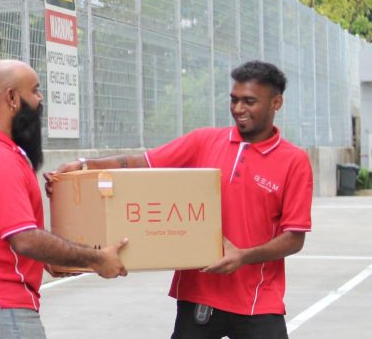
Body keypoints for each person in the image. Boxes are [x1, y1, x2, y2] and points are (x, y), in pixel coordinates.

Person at [46, 61, 312, 338]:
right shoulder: (204, 141)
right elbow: (142, 163)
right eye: (234, 100)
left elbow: (294, 237)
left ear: (276, 102)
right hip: (200, 295)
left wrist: (244, 257)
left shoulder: (294, 161)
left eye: (249, 101)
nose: (238, 109)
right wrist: (85, 164)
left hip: (259, 300)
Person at [0, 59, 128, 339]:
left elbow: (3, 235)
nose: (41, 99)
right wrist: (97, 258)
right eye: (35, 91)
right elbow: (25, 238)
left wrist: (49, 261)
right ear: (12, 97)